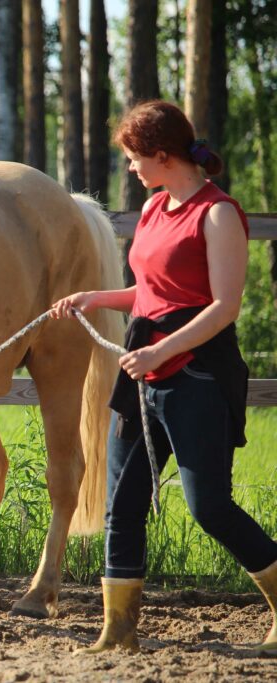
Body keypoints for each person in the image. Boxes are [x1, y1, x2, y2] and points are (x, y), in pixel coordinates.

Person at [50, 100, 277, 654]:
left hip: (196, 374)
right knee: (121, 507)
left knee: (209, 508)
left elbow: (223, 307)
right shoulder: (154, 208)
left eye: (133, 158)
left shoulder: (218, 214)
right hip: (143, 373)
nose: (130, 168)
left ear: (161, 154)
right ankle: (118, 632)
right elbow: (147, 292)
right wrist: (94, 297)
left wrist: (162, 353)